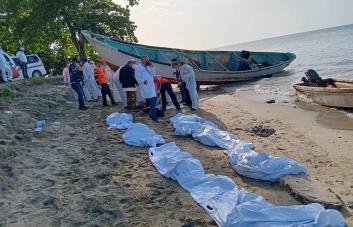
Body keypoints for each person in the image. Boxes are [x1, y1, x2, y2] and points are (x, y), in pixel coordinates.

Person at [135, 56, 158, 121]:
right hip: (145, 85)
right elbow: (137, 77)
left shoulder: (148, 67)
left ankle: (151, 114)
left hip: (151, 85)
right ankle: (154, 116)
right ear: (141, 60)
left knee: (154, 99)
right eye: (145, 60)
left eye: (148, 60)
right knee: (152, 100)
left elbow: (154, 74)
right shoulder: (138, 67)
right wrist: (143, 81)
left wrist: (152, 67)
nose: (147, 61)